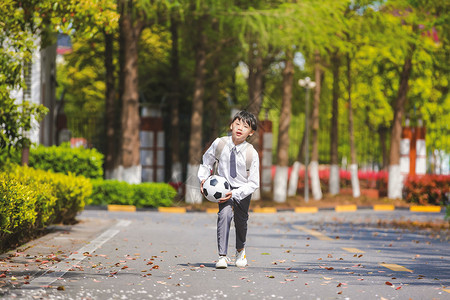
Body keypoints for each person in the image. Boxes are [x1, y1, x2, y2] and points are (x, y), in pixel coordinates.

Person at [198, 110, 260, 269]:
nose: (240, 128)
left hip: (242, 190)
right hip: (222, 188)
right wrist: (204, 179)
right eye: (237, 123)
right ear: (231, 125)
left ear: (251, 132)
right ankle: (222, 256)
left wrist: (236, 193)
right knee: (224, 215)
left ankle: (240, 250)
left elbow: (253, 183)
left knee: (241, 221)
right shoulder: (219, 144)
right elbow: (207, 162)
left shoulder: (251, 153)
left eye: (245, 126)